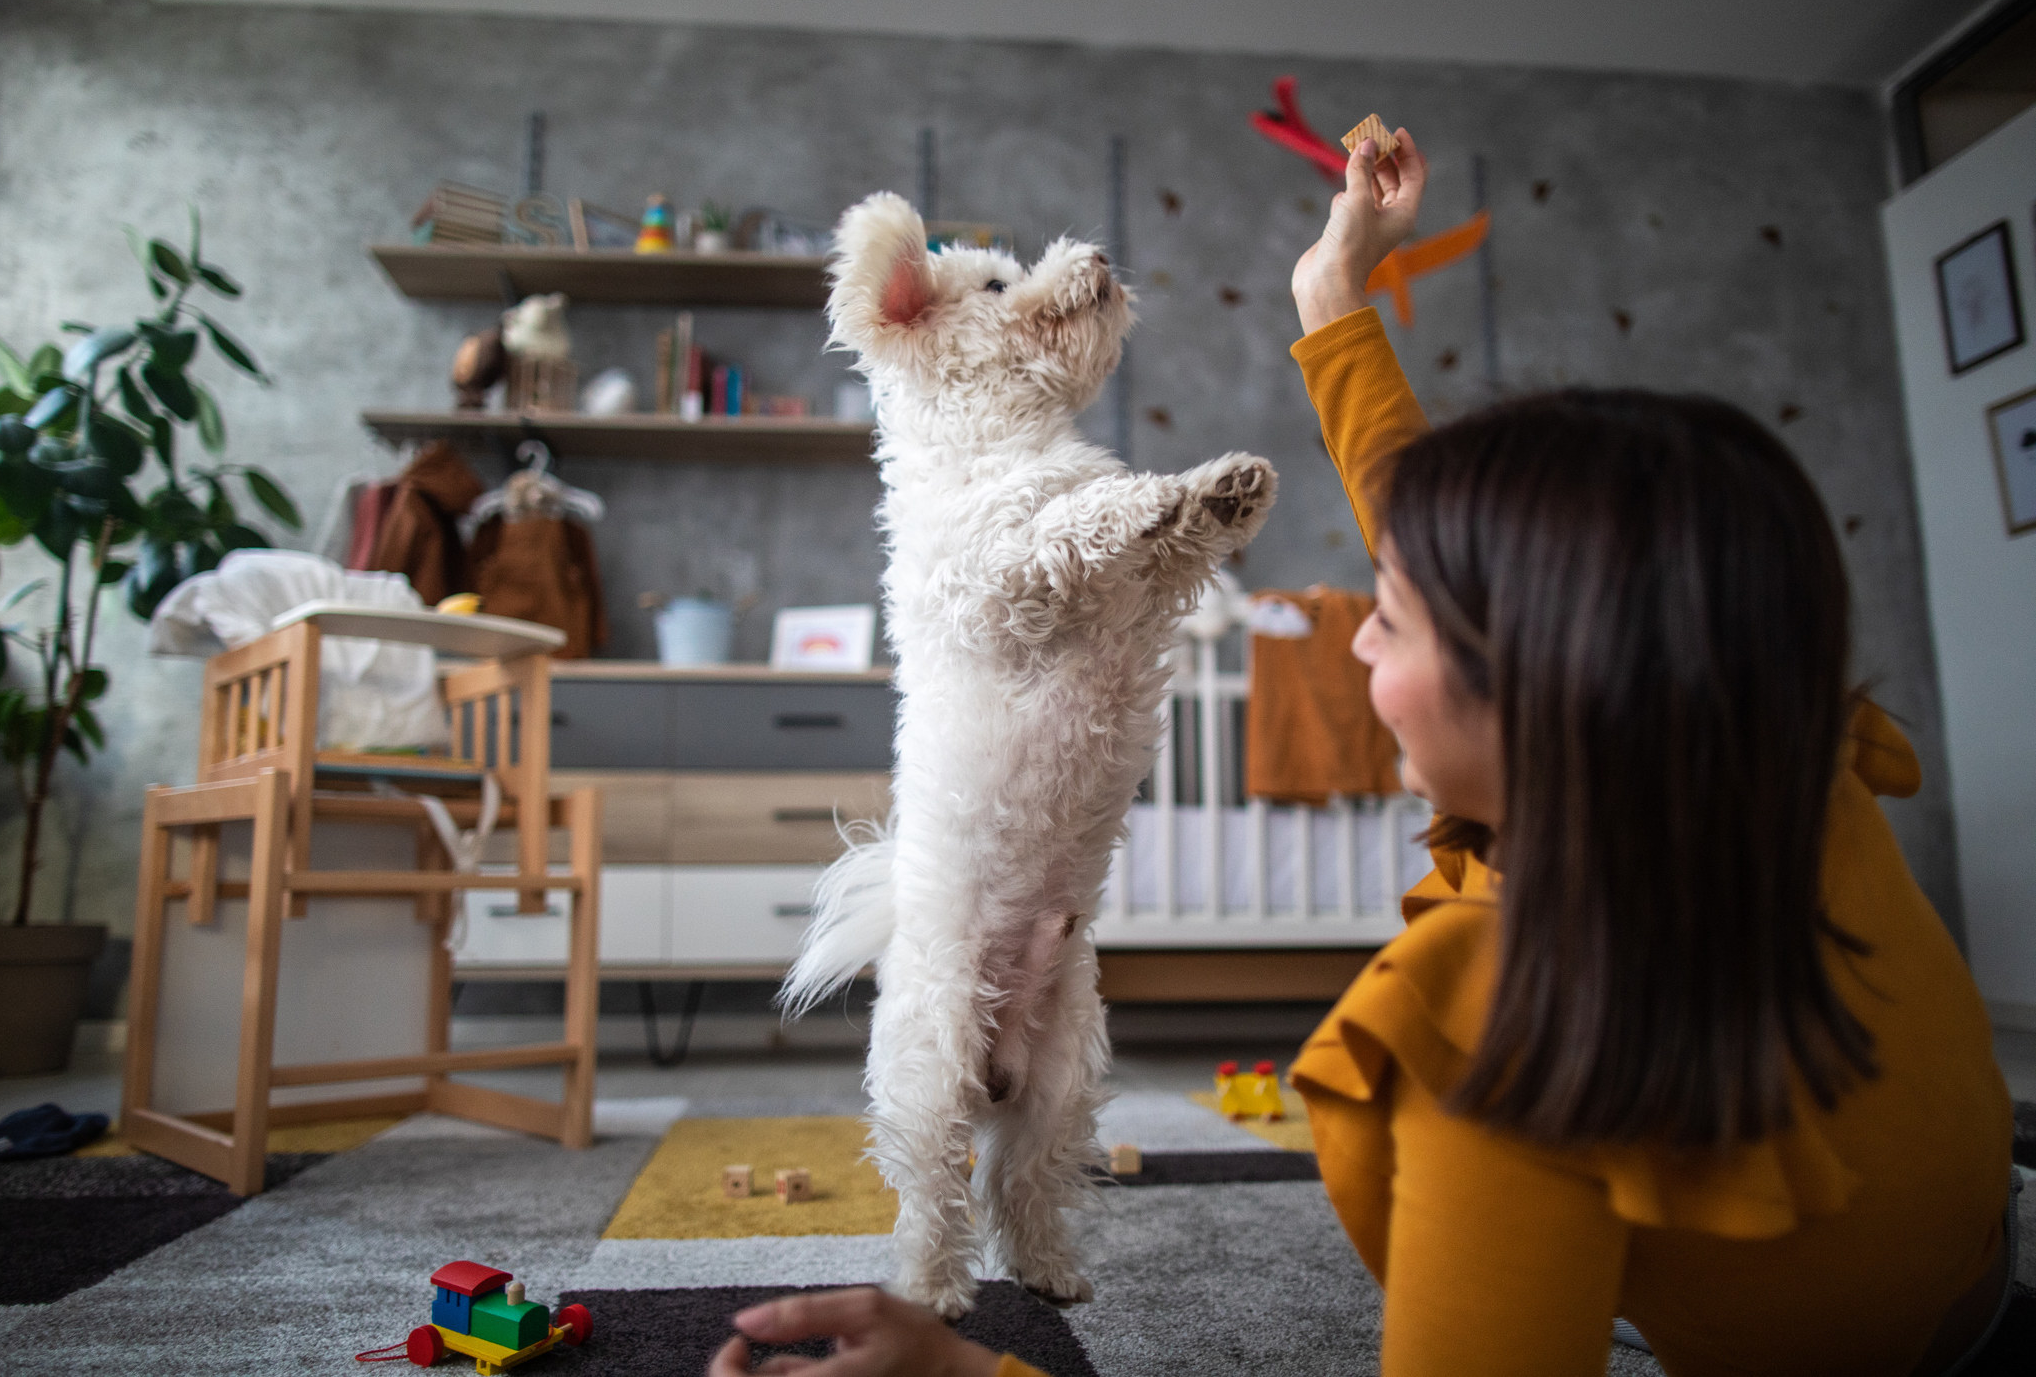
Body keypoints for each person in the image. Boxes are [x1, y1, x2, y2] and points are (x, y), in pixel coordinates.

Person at [706, 131, 2019, 1377]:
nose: (1348, 654)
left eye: (1381, 618)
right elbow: (1448, 529)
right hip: (1982, 1271)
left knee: (1049, 1103)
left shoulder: (1493, 1031)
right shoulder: (1812, 757)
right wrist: (1333, 279)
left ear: (1536, 680)